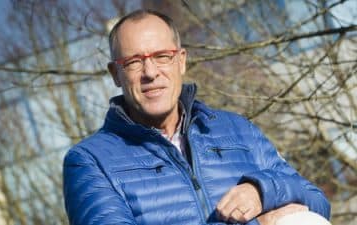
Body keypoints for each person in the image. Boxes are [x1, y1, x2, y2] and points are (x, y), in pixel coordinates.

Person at [63, 9, 331, 225]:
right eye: (133, 62)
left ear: (181, 61)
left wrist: (263, 192)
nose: (150, 72)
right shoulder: (89, 162)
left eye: (162, 56)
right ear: (115, 74)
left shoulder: (237, 130)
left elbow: (316, 201)